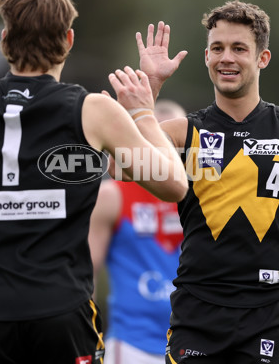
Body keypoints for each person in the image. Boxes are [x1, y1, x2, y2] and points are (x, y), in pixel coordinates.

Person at [0, 0, 187, 364]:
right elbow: (174, 183)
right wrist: (143, 110)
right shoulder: (94, 111)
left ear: (5, 41)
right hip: (62, 317)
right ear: (69, 41)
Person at [133, 0, 279, 363]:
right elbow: (127, 157)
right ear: (206, 57)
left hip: (266, 314)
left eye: (239, 48)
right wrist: (150, 85)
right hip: (196, 313)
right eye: (217, 48)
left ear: (263, 58)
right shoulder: (181, 133)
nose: (226, 57)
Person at [88, 100, 186, 364]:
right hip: (132, 344)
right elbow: (86, 271)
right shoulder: (112, 195)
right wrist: (85, 336)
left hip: (194, 340)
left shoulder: (201, 195)